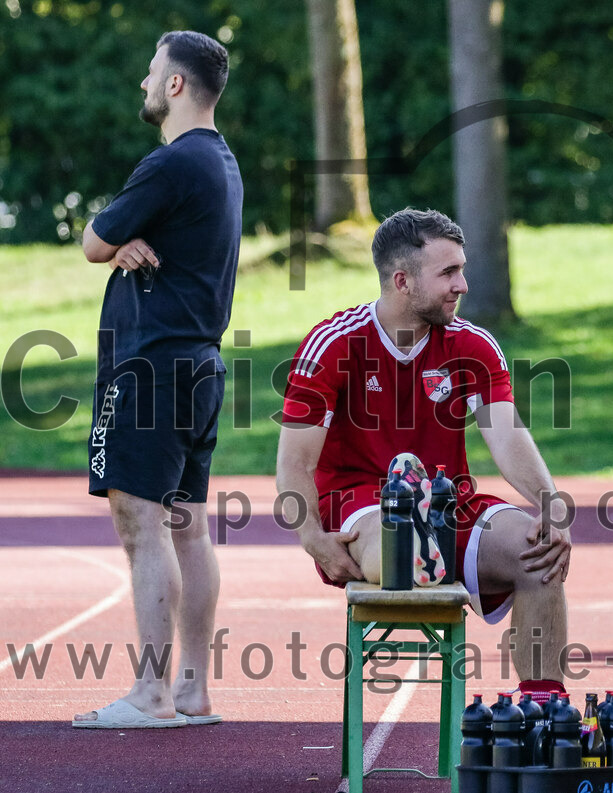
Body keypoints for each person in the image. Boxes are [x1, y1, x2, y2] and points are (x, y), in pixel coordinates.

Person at [275, 208, 572, 698]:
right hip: (360, 507)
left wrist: (549, 503)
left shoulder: (472, 344)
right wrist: (313, 539)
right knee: (399, 551)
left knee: (538, 552)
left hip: (449, 501)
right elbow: (294, 462)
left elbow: (506, 434)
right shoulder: (334, 343)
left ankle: (543, 710)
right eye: (448, 273)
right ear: (402, 281)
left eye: (462, 269)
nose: (464, 285)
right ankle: (410, 529)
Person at [73, 31, 242, 729]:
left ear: (176, 85)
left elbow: (92, 240)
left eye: (151, 72)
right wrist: (125, 243)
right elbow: (117, 240)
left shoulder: (171, 164)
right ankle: (192, 690)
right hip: (198, 364)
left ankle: (150, 693)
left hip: (151, 366)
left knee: (142, 524)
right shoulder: (221, 161)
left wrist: (114, 244)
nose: (143, 83)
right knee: (187, 527)